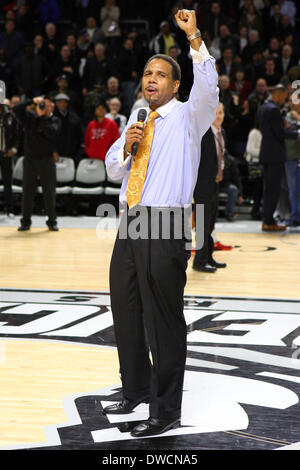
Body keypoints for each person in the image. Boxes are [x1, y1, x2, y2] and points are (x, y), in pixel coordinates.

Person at [104, 9, 218, 437]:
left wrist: (193, 40)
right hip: (129, 222)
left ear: (174, 85)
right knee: (126, 309)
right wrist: (125, 148)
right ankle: (134, 388)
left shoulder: (190, 117)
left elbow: (208, 86)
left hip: (166, 224)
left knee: (163, 318)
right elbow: (113, 170)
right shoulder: (137, 118)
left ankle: (166, 407)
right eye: (148, 73)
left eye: (160, 75)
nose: (151, 79)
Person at [14, 96, 61, 231]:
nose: (43, 107)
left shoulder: (55, 120)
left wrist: (41, 117)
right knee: (28, 191)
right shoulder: (30, 117)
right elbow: (16, 109)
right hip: (30, 160)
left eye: (46, 105)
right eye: (42, 105)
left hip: (46, 160)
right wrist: (31, 101)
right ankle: (25, 221)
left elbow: (50, 133)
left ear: (52, 107)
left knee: (49, 192)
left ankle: (52, 221)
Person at [258, 84, 300, 231]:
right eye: (284, 97)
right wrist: (297, 134)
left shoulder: (263, 107)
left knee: (268, 189)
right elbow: (280, 133)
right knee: (273, 190)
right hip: (275, 155)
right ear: (278, 95)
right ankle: (269, 222)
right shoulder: (274, 110)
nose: (285, 100)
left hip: (266, 153)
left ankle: (267, 220)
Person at [193, 102, 227, 273]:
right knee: (201, 224)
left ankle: (208, 257)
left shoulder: (221, 133)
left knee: (210, 223)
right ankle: (199, 262)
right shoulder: (204, 134)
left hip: (215, 183)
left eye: (221, 112)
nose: (219, 116)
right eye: (216, 112)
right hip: (202, 185)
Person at [0, 102, 18, 218]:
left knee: (7, 181)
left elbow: (17, 134)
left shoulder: (9, 115)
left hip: (6, 152)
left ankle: (9, 208)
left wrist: (14, 149)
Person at [284, 94, 300, 227]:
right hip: (290, 157)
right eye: (290, 101)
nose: (292, 103)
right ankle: (295, 217)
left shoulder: (296, 117)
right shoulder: (285, 117)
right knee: (293, 189)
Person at [53, 93, 82, 163]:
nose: (62, 104)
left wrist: (77, 152)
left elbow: (79, 136)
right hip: (56, 152)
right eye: (60, 102)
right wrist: (53, 151)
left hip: (72, 153)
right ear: (56, 103)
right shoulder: (52, 117)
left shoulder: (74, 117)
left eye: (64, 102)